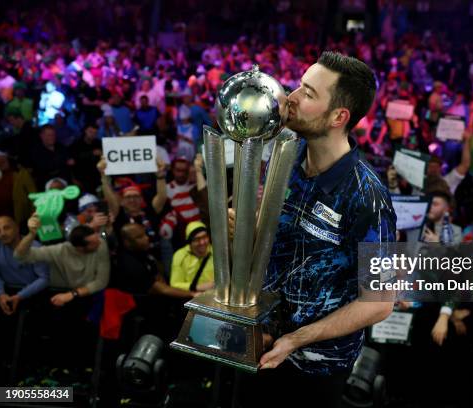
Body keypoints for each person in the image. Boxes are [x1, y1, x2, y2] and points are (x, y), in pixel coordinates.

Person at [235, 51, 396, 408]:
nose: (289, 98)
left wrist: (296, 339)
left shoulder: (367, 196)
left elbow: (380, 303)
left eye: (308, 93)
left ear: (339, 117)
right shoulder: (285, 153)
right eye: (298, 86)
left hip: (315, 368)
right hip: (258, 340)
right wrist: (248, 227)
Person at [14, 214, 110, 307]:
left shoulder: (101, 244)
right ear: (80, 248)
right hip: (60, 293)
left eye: (97, 238)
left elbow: (101, 282)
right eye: (93, 243)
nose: (99, 242)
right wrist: (31, 234)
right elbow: (19, 256)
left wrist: (105, 228)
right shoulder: (60, 250)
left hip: (87, 294)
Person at [0, 215, 49, 315]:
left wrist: (20, 296)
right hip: (6, 293)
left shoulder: (35, 247)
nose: (2, 234)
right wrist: (0, 294)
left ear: (17, 228)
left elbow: (44, 278)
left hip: (33, 294)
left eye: (6, 228)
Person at [169, 221, 214, 293]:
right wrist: (196, 287)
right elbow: (174, 284)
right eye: (197, 239)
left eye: (204, 237)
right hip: (192, 297)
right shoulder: (180, 255)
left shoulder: (216, 252)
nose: (202, 242)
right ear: (190, 242)